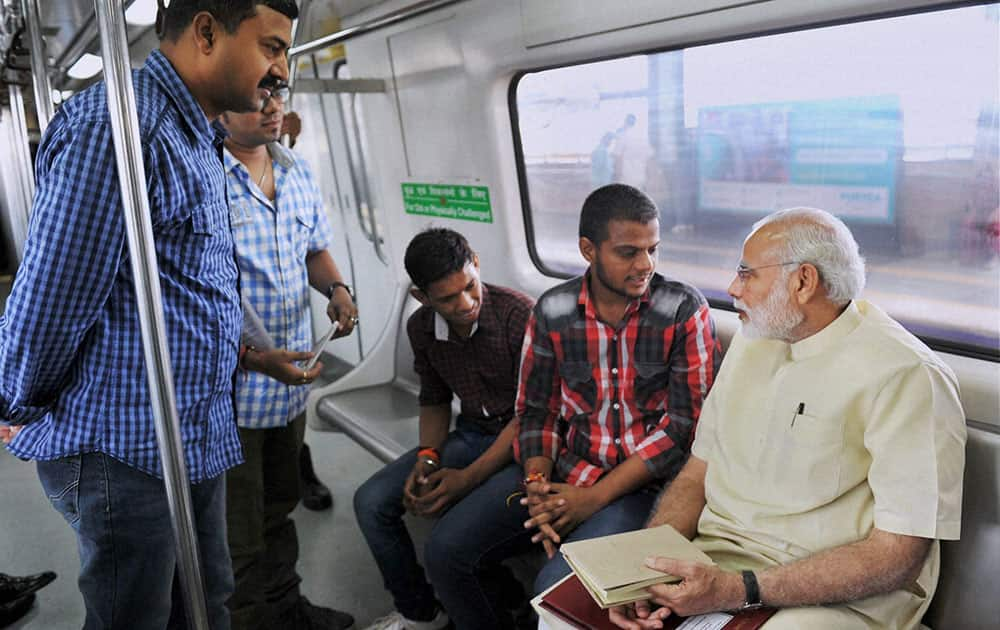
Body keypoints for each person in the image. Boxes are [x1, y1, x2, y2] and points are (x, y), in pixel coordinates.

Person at [0, 1, 297, 628]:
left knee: (204, 604)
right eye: (271, 46)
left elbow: (195, 286)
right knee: (136, 617)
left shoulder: (197, 135)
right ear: (208, 30)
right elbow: (52, 300)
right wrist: (15, 401)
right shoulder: (122, 128)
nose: (281, 71)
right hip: (126, 447)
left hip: (190, 432)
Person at [609, 207, 967, 630]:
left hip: (834, 600)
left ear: (803, 282)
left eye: (746, 274)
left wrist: (738, 589)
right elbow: (696, 475)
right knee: (564, 612)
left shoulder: (907, 374)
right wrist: (641, 572)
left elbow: (896, 556)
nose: (731, 288)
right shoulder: (752, 340)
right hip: (716, 567)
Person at [417, 184, 720, 630]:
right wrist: (539, 485)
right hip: (564, 472)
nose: (646, 265)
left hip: (640, 488)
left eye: (653, 249)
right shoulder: (553, 310)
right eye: (628, 252)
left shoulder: (682, 310)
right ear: (587, 250)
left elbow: (682, 429)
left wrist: (592, 498)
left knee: (552, 586)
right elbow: (537, 411)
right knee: (444, 551)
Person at [220, 83, 358, 630]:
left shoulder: (296, 171)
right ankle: (251, 621)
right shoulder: (205, 180)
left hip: (289, 384)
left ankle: (286, 607)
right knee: (239, 528)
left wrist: (339, 290)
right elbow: (183, 296)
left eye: (277, 96)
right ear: (220, 109)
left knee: (280, 507)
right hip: (230, 392)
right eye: (258, 99)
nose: (274, 108)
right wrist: (251, 357)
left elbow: (314, 249)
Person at [354, 228, 534, 630]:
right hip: (473, 434)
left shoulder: (518, 316)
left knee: (447, 544)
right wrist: (428, 456)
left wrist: (467, 479)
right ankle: (421, 614)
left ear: (477, 266)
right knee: (371, 502)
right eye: (449, 299)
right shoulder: (422, 329)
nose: (467, 303)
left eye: (470, 286)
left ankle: (498, 606)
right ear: (423, 298)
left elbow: (532, 417)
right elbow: (434, 398)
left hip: (527, 444)